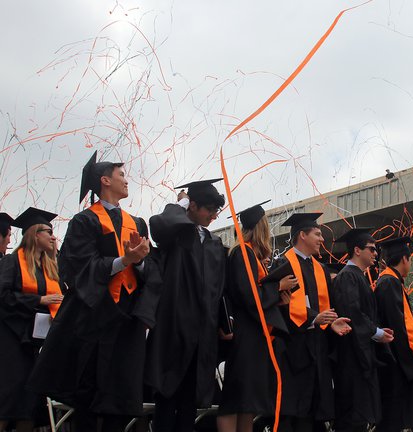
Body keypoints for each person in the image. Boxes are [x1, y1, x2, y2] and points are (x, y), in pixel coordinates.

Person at [28, 152, 160, 432]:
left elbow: (150, 270)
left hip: (127, 320)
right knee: (88, 395)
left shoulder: (137, 223)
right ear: (105, 180)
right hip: (95, 317)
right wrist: (124, 260)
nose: (126, 180)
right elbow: (78, 268)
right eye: (121, 175)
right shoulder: (84, 221)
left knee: (120, 398)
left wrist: (140, 261)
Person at [146, 178, 229, 432]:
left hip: (203, 334)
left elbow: (220, 289)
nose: (213, 216)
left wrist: (223, 324)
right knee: (166, 401)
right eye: (208, 210)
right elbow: (159, 225)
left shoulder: (215, 244)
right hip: (174, 329)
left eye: (215, 211)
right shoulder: (176, 234)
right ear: (192, 205)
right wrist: (180, 204)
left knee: (189, 407)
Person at [265, 212, 351, 432]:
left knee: (314, 412)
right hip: (292, 348)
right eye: (317, 234)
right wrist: (314, 318)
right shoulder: (282, 264)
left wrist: (331, 322)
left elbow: (326, 306)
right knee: (293, 412)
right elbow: (280, 306)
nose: (322, 239)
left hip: (318, 346)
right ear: (302, 235)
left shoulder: (320, 268)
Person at [217, 201, 293, 432]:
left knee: (248, 400)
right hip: (245, 333)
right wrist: (277, 286)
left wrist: (279, 299)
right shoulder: (242, 252)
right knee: (234, 398)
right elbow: (248, 295)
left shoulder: (252, 254)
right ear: (261, 227)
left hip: (256, 334)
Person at [0, 208, 61, 432]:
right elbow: (3, 295)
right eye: (48, 232)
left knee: (30, 404)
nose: (53, 237)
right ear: (35, 234)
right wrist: (39, 299)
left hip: (36, 343)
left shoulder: (48, 267)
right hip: (11, 340)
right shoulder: (12, 262)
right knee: (8, 400)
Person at [330, 228, 393, 432]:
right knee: (353, 415)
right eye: (372, 249)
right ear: (357, 250)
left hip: (361, 354)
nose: (376, 253)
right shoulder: (348, 276)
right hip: (352, 357)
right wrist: (376, 332)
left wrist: (378, 330)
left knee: (361, 414)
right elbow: (352, 314)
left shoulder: (358, 276)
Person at [374, 236, 413, 432]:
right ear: (404, 259)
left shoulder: (391, 281)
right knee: (396, 417)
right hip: (397, 361)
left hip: (398, 359)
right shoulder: (389, 283)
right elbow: (397, 323)